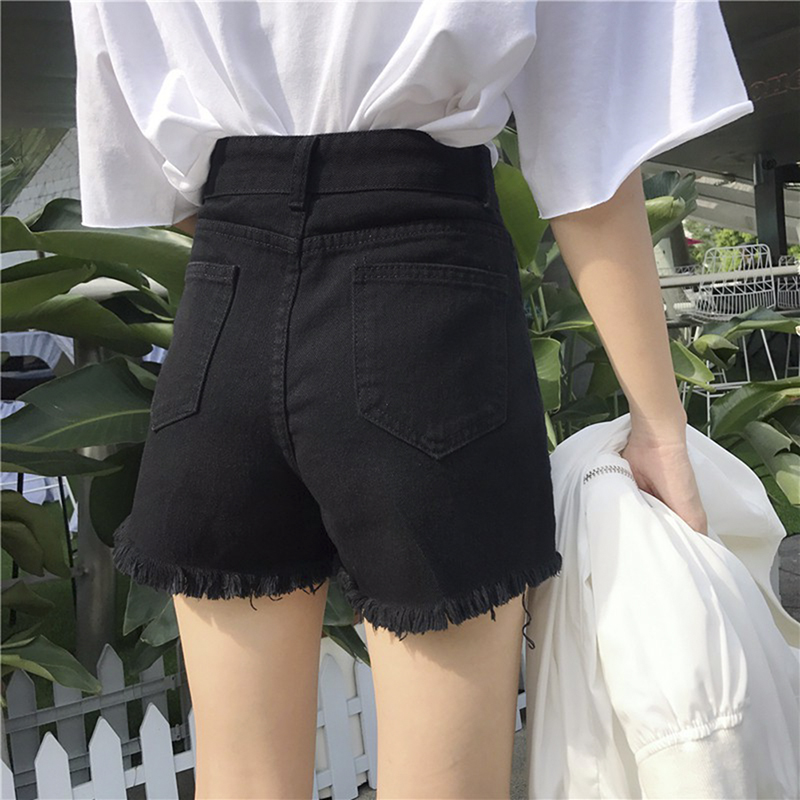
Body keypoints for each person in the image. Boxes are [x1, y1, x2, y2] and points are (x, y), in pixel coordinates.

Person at [68, 1, 754, 798]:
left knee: (242, 778)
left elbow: (144, 159)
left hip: (227, 302)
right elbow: (588, 149)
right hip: (424, 288)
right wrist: (660, 428)